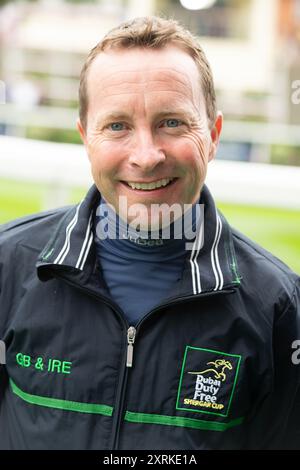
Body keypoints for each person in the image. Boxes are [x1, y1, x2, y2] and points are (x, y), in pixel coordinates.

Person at [0, 16, 299, 451]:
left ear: (213, 136)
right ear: (86, 137)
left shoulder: (278, 307)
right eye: (117, 125)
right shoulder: (8, 267)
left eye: (172, 123)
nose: (146, 155)